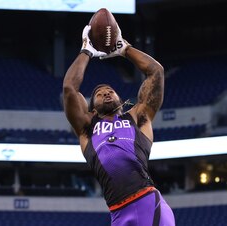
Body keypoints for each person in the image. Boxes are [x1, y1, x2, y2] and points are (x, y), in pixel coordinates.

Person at [62, 21, 176, 226]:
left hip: (146, 202)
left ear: (120, 99)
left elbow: (156, 72)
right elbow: (70, 89)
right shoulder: (87, 127)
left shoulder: (138, 117)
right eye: (99, 93)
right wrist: (86, 51)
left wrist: (124, 49)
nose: (106, 92)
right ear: (92, 108)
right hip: (117, 213)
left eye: (110, 91)